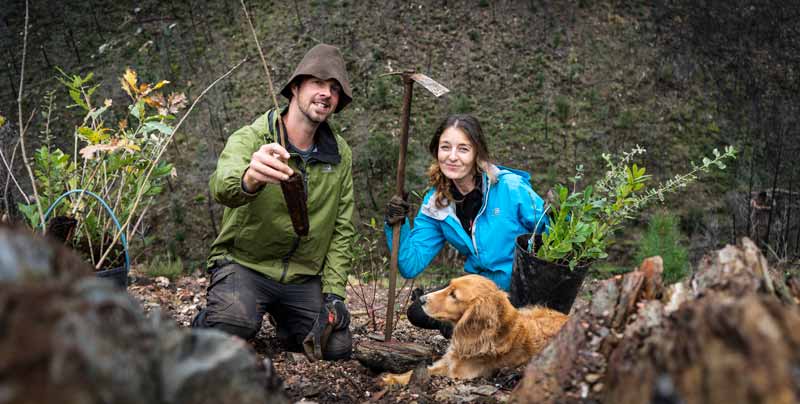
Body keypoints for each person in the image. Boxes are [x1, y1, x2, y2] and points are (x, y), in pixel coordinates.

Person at [192, 44, 355, 361]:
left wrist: (334, 294)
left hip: (302, 277)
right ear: (295, 87)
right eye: (318, 84)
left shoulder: (340, 154)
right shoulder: (254, 137)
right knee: (232, 323)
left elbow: (342, 226)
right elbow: (221, 186)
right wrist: (250, 178)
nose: (326, 94)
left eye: (334, 89)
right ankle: (205, 323)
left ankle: (286, 320)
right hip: (246, 265)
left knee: (336, 348)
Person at [384, 114, 549, 337]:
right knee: (419, 311)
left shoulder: (509, 188)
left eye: (463, 149)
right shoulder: (437, 204)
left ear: (476, 153)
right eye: (445, 147)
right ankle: (474, 329)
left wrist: (556, 217)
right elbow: (410, 264)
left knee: (471, 319)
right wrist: (397, 223)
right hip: (481, 289)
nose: (452, 157)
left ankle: (477, 329)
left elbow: (552, 232)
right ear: (436, 151)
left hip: (522, 289)